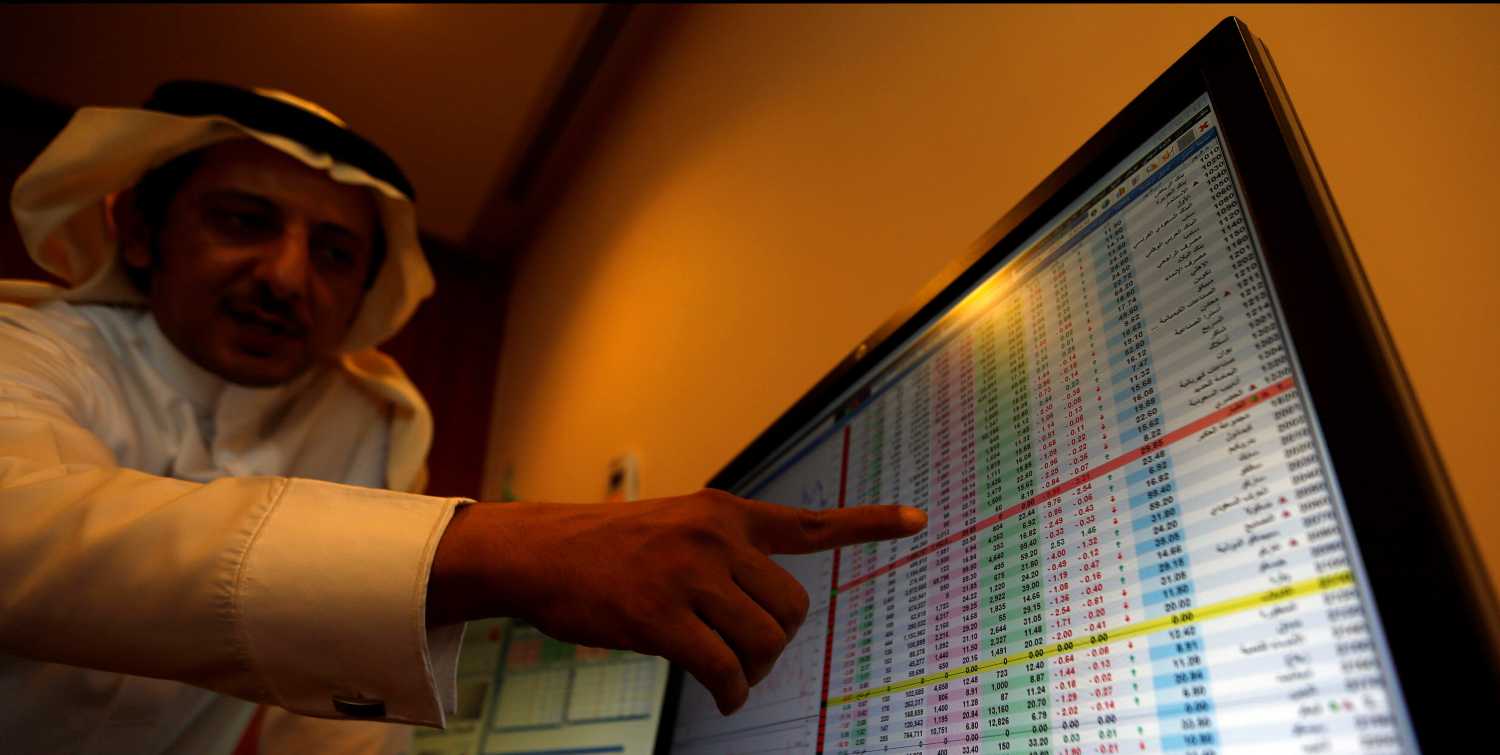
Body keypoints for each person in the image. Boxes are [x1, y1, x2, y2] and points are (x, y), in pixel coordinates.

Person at [0, 81, 927, 754]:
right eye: (244, 221)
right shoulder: (32, 347)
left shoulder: (362, 421)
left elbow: (328, 716)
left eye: (331, 252)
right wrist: (501, 548)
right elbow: (24, 530)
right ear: (139, 230)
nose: (287, 277)